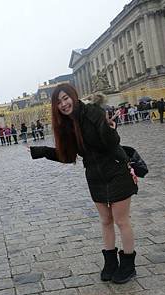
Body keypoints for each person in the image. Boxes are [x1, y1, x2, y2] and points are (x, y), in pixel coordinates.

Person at [29, 83, 138, 284]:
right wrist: (42, 151)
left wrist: (109, 129)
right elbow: (69, 156)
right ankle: (110, 263)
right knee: (105, 220)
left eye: (65, 98)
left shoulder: (93, 112)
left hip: (115, 169)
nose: (63, 104)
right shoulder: (65, 125)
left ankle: (129, 265)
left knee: (121, 220)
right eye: (59, 101)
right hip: (95, 176)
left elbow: (110, 143)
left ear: (73, 96)